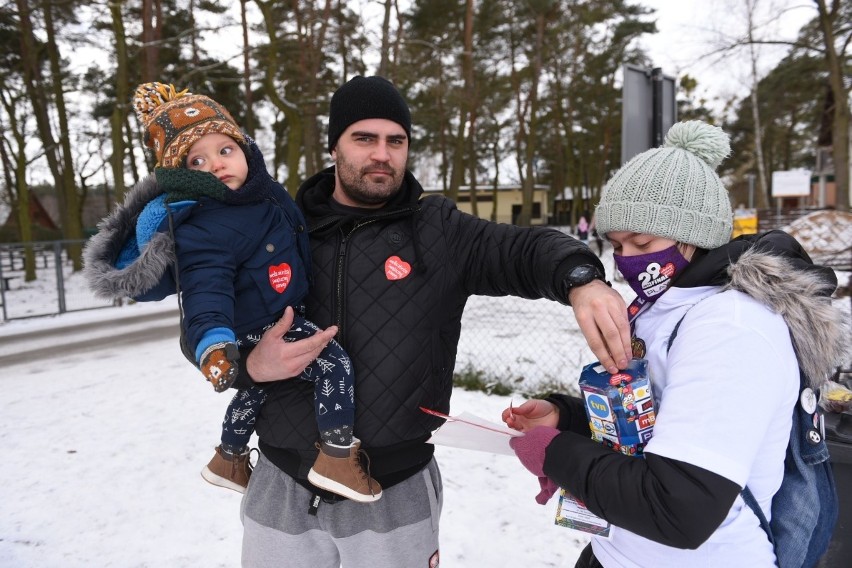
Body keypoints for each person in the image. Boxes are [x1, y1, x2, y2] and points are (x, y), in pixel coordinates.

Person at [230, 75, 633, 568]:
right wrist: (250, 364)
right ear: (334, 145)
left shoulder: (438, 230)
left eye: (395, 141)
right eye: (365, 138)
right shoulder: (276, 225)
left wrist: (580, 278)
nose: (382, 154)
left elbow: (522, 250)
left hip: (393, 491)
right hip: (280, 484)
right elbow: (205, 322)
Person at [503, 121, 846, 567]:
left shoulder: (732, 326)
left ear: (695, 236)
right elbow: (657, 421)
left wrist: (559, 454)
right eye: (617, 244)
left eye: (642, 242)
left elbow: (681, 508)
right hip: (619, 551)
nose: (626, 260)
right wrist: (568, 418)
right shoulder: (665, 305)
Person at [84, 82, 381, 502]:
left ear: (244, 149)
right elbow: (205, 292)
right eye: (197, 160)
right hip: (254, 326)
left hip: (272, 311)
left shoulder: (263, 193)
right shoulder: (204, 226)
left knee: (257, 389)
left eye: (225, 150)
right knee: (332, 363)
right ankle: (335, 455)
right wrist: (214, 346)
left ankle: (230, 457)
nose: (217, 165)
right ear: (182, 175)